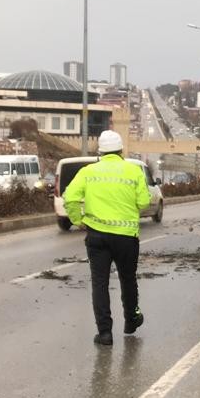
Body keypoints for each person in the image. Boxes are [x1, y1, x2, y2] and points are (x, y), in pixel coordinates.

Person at [63, 130, 151, 346]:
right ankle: (131, 320)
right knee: (127, 279)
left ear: (100, 151)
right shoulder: (133, 171)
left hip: (97, 236)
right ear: (121, 150)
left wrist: (78, 220)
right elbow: (144, 203)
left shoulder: (88, 171)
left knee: (100, 283)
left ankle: (105, 333)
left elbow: (70, 198)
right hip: (126, 237)